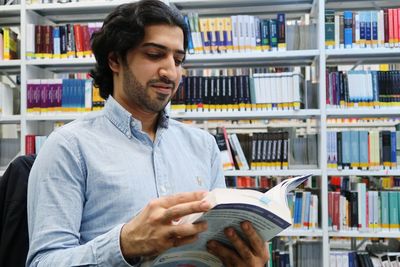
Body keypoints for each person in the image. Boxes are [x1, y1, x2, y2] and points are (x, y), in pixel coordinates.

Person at [26, 0, 269, 266]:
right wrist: (124, 244)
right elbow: (44, 260)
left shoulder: (204, 146)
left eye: (178, 60)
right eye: (154, 55)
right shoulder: (69, 146)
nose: (170, 72)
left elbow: (216, 245)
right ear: (115, 60)